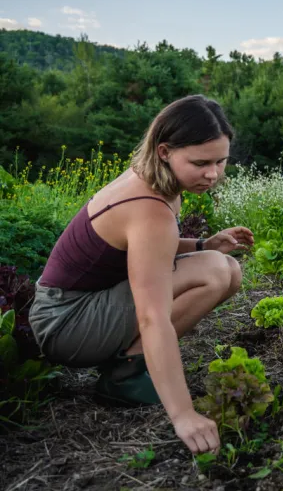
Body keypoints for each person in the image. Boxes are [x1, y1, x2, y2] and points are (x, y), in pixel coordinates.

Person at [29, 95, 254, 456]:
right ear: (165, 151)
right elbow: (152, 317)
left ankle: (126, 360)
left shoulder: (153, 178)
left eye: (220, 161)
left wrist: (203, 244)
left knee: (227, 268)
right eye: (200, 163)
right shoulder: (149, 208)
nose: (212, 174)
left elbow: (144, 250)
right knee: (214, 272)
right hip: (66, 323)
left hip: (84, 305)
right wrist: (183, 415)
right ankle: (124, 374)